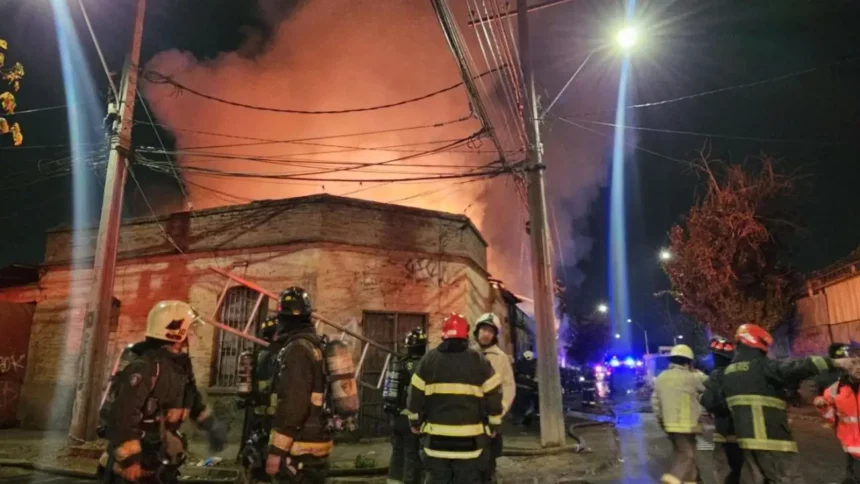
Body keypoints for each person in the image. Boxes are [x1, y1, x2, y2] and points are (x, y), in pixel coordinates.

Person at [103, 300, 226, 484]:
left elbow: (191, 399)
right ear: (176, 331)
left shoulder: (179, 365)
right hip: (133, 467)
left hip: (158, 459)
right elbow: (123, 414)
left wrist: (211, 425)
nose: (191, 334)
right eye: (189, 328)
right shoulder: (145, 366)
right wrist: (130, 461)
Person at [722, 323, 856, 483]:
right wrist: (835, 363)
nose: (767, 351)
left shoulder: (729, 371)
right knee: (789, 478)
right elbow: (794, 367)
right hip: (770, 437)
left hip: (746, 439)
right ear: (756, 342)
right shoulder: (760, 366)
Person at [407, 313, 503, 484]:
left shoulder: (428, 361)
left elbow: (414, 398)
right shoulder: (480, 361)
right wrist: (494, 425)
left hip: (435, 444)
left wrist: (414, 423)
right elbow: (494, 397)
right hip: (471, 445)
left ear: (444, 335)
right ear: (466, 335)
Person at [265, 287, 332, 484]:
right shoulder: (317, 345)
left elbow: (293, 403)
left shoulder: (297, 350)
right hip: (318, 440)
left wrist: (277, 451)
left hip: (299, 446)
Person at [651, 344, 708, 484]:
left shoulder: (661, 378)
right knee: (687, 455)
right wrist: (697, 372)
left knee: (687, 453)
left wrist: (661, 421)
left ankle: (691, 480)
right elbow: (709, 384)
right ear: (688, 361)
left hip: (669, 425)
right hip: (688, 424)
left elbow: (655, 403)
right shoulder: (692, 377)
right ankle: (672, 479)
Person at [473, 313, 516, 483]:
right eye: (483, 329)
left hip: (491, 417)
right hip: (469, 416)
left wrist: (501, 409)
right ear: (477, 331)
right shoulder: (468, 354)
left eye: (490, 331)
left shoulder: (501, 358)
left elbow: (508, 386)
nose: (486, 334)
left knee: (489, 458)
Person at [239, 316, 282, 481]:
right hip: (276, 419)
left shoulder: (258, 355)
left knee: (258, 460)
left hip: (258, 418)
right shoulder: (282, 356)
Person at [384, 327, 428, 484]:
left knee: (397, 454)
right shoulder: (423, 365)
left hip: (396, 418)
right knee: (412, 457)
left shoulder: (399, 363)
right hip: (412, 419)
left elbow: (389, 393)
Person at [814, 346, 860, 483]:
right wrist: (822, 407)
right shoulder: (834, 390)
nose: (858, 367)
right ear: (845, 365)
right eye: (854, 363)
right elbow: (831, 418)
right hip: (851, 447)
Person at [700, 336, 743, 484]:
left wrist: (702, 398)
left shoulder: (717, 375)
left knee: (726, 469)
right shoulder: (742, 372)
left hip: (727, 431)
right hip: (748, 430)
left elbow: (710, 402)